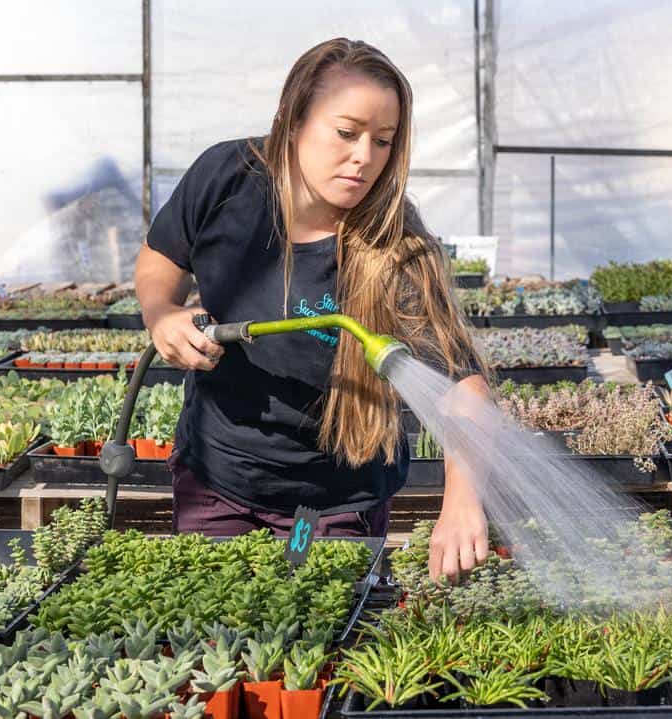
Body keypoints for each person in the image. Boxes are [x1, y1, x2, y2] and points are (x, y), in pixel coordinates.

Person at [134, 38, 491, 582]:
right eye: (347, 133)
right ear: (292, 119)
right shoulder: (226, 178)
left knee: (306, 627)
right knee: (217, 642)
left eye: (384, 141)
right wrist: (162, 313)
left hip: (318, 510)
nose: (364, 157)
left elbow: (461, 384)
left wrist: (463, 502)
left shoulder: (397, 248)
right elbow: (161, 258)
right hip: (216, 482)